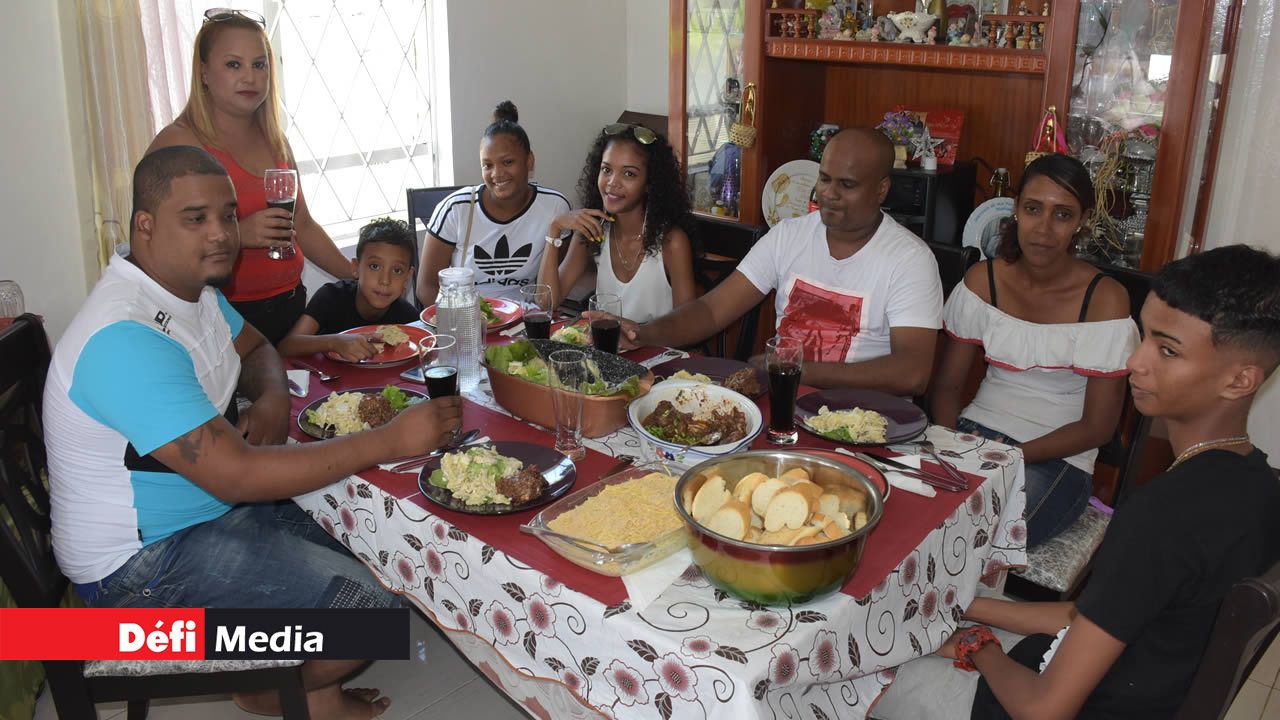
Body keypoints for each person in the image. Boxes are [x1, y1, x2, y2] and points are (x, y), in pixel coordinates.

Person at [43, 147, 463, 720]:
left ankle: (290, 675)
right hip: (131, 577)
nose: (220, 233)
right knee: (373, 614)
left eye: (226, 214)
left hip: (209, 513)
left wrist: (269, 398)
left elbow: (258, 346)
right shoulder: (124, 336)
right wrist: (390, 438)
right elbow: (238, 474)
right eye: (196, 218)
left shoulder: (194, 292)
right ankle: (268, 689)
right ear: (145, 226)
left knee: (383, 543)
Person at [935, 245, 1280, 719]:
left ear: (1240, 381)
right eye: (1144, 335)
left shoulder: (1160, 514)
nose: (1135, 361)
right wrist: (968, 606)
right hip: (1131, 678)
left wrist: (978, 646)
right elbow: (1101, 611)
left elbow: (1042, 709)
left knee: (872, 672)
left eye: (1167, 349)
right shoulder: (1260, 483)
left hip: (1067, 703)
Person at [613, 127, 943, 396]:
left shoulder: (909, 260)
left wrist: (796, 369)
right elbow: (712, 310)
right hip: (783, 406)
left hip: (862, 421)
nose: (828, 193)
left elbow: (912, 373)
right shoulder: (790, 236)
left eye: (847, 185)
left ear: (881, 190)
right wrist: (643, 334)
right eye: (825, 178)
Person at [931, 154, 1137, 547]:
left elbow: (1097, 427)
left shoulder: (1105, 299)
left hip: (1058, 456)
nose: (1043, 228)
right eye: (1032, 209)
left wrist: (1008, 457)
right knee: (911, 513)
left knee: (975, 538)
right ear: (1015, 210)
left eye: (1062, 214)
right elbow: (947, 390)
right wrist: (951, 448)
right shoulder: (983, 280)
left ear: (1082, 220)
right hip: (972, 436)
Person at [146, 9, 353, 346]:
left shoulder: (275, 139)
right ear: (203, 72)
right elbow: (153, 245)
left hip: (288, 307)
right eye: (233, 64)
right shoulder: (178, 144)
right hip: (219, 314)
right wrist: (238, 234)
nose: (250, 77)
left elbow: (302, 224)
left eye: (259, 65)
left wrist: (356, 275)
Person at [536, 123, 696, 322]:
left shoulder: (672, 242)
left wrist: (641, 336)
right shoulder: (591, 231)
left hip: (659, 351)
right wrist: (554, 229)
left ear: (649, 183)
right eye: (607, 170)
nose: (612, 182)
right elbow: (545, 301)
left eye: (629, 173)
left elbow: (688, 324)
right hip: (605, 349)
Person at [416, 101, 571, 306]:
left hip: (525, 322)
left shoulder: (554, 208)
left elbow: (551, 287)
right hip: (466, 319)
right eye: (487, 165)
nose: (497, 174)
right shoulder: (456, 209)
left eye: (508, 162)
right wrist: (466, 321)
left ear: (529, 161)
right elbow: (426, 287)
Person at [278, 217, 419, 360]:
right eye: (375, 266)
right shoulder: (331, 297)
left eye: (397, 271)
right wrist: (334, 342)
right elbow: (286, 347)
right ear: (356, 268)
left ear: (407, 277)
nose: (385, 280)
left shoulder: (407, 317)